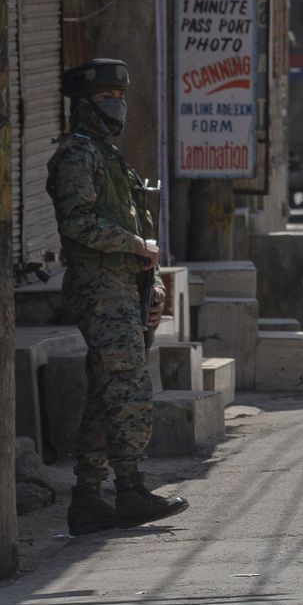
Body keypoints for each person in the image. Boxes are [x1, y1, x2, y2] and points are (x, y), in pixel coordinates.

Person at [47, 59, 188, 535]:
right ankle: (129, 487)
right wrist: (134, 250)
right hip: (100, 286)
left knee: (106, 391)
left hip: (127, 284)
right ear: (82, 104)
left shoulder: (108, 157)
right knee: (127, 385)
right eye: (104, 97)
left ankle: (88, 496)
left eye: (119, 95)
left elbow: (138, 229)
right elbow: (79, 223)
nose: (116, 104)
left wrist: (155, 281)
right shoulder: (76, 155)